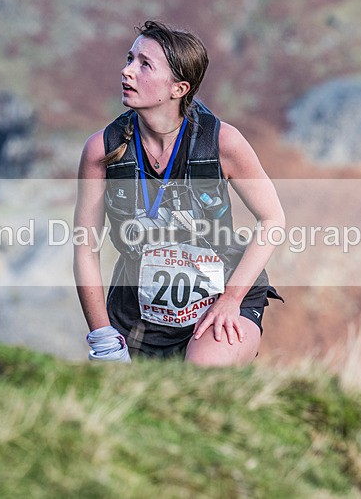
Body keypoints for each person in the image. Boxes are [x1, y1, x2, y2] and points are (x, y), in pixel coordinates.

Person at [73, 20, 284, 366]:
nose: (126, 72)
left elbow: (273, 219)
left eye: (144, 65)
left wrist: (232, 299)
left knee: (200, 374)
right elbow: (85, 247)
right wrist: (103, 337)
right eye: (129, 59)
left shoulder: (223, 143)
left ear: (178, 88)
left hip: (221, 302)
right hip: (136, 314)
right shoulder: (101, 150)